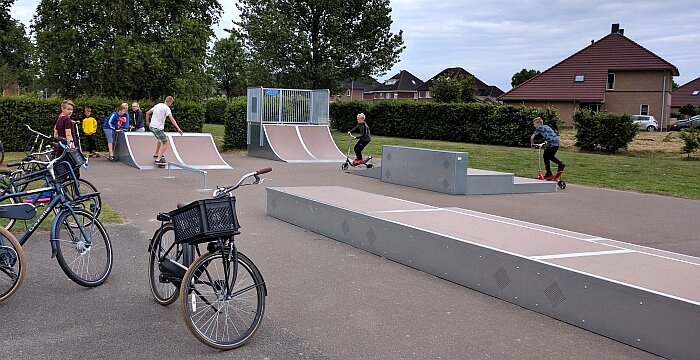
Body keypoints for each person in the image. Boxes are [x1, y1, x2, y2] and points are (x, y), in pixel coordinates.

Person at [145, 96, 183, 165]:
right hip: (158, 128)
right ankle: (158, 159)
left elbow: (147, 113)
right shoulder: (167, 108)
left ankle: (156, 154)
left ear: (165, 100)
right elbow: (171, 119)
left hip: (152, 127)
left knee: (160, 139)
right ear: (170, 103)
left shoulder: (158, 105)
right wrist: (178, 128)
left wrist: (147, 123)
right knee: (166, 142)